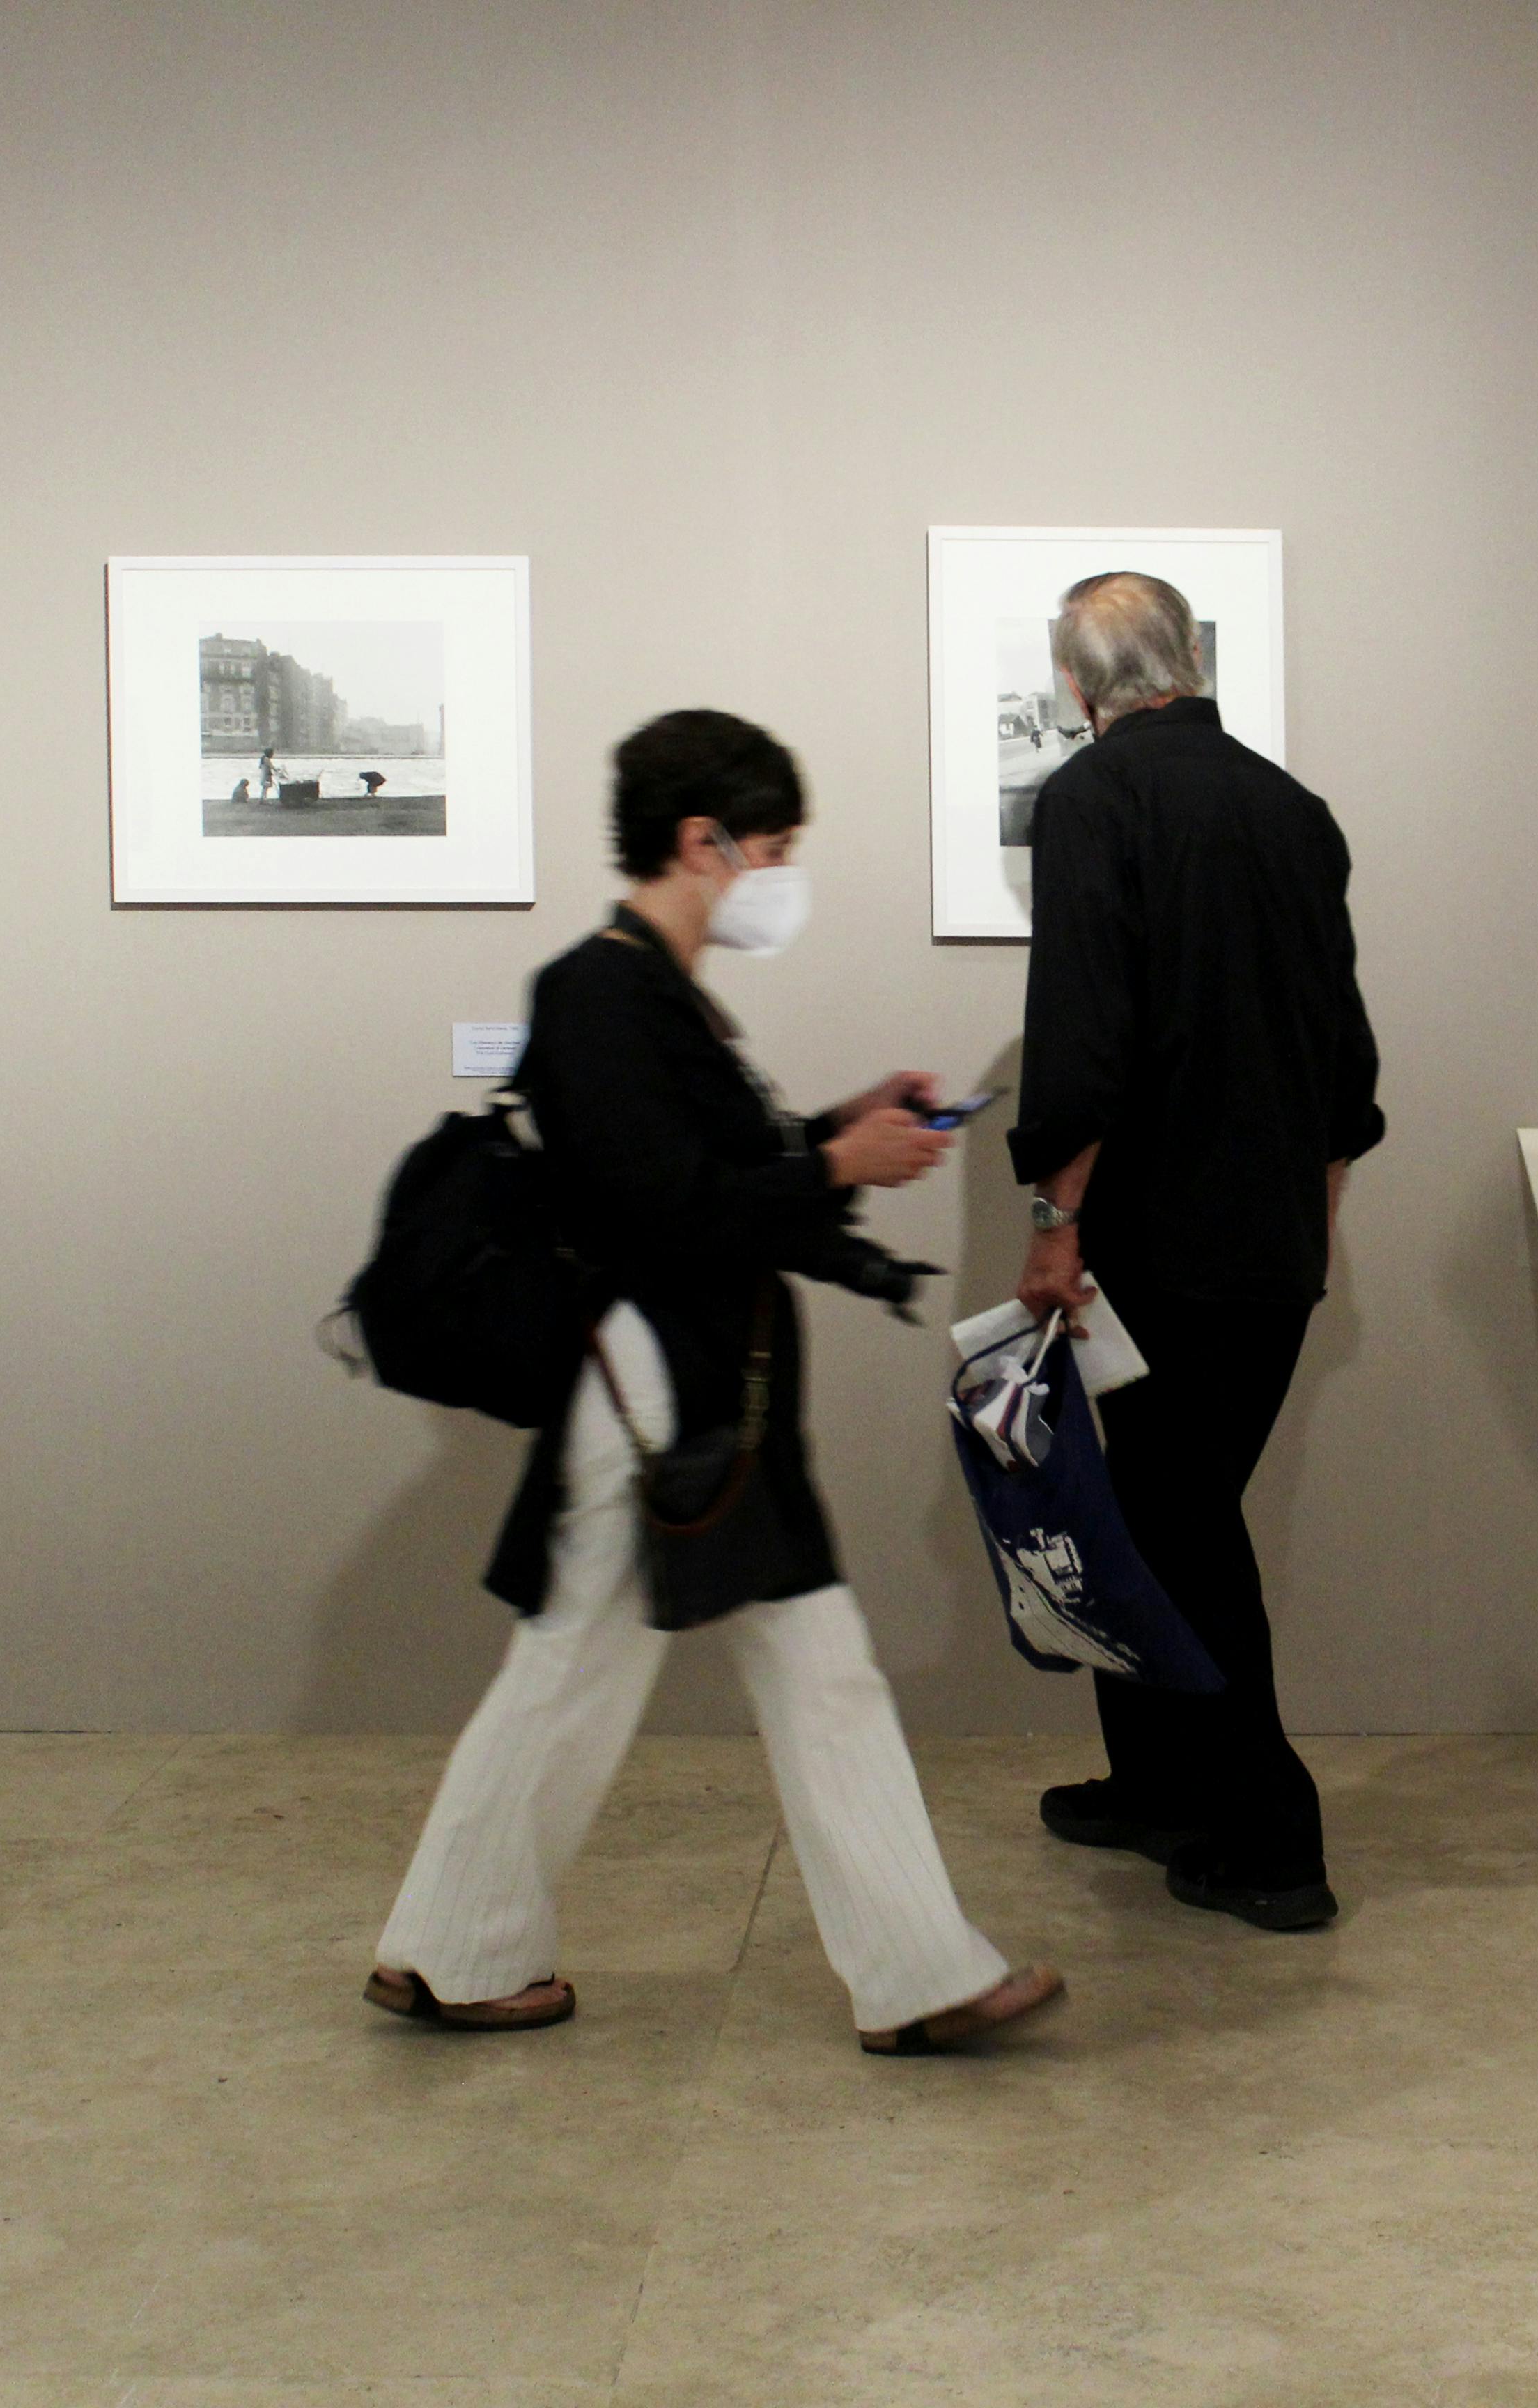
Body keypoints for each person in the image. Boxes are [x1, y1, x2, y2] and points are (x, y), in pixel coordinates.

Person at [370, 708, 1064, 2055]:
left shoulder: (649, 991)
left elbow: (699, 1168)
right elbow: (662, 1208)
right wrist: (837, 1167)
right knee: (659, 1669)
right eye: (777, 848)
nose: (785, 876)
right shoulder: (600, 993)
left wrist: (838, 1128)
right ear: (705, 842)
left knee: (744, 1669)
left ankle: (457, 1949)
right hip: (662, 1391)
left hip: (692, 1386)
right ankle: (909, 1977)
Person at [1011, 573, 1384, 1933]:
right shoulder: (1293, 810)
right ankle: (1158, 1783)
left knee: (1178, 1527)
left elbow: (1084, 1037)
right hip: (1269, 1240)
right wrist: (1316, 1220)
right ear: (1190, 660)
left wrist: (1054, 1226)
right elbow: (1343, 1056)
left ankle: (1271, 1840)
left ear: (1077, 685)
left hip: (1155, 1243)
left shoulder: (1090, 799)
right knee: (1155, 1514)